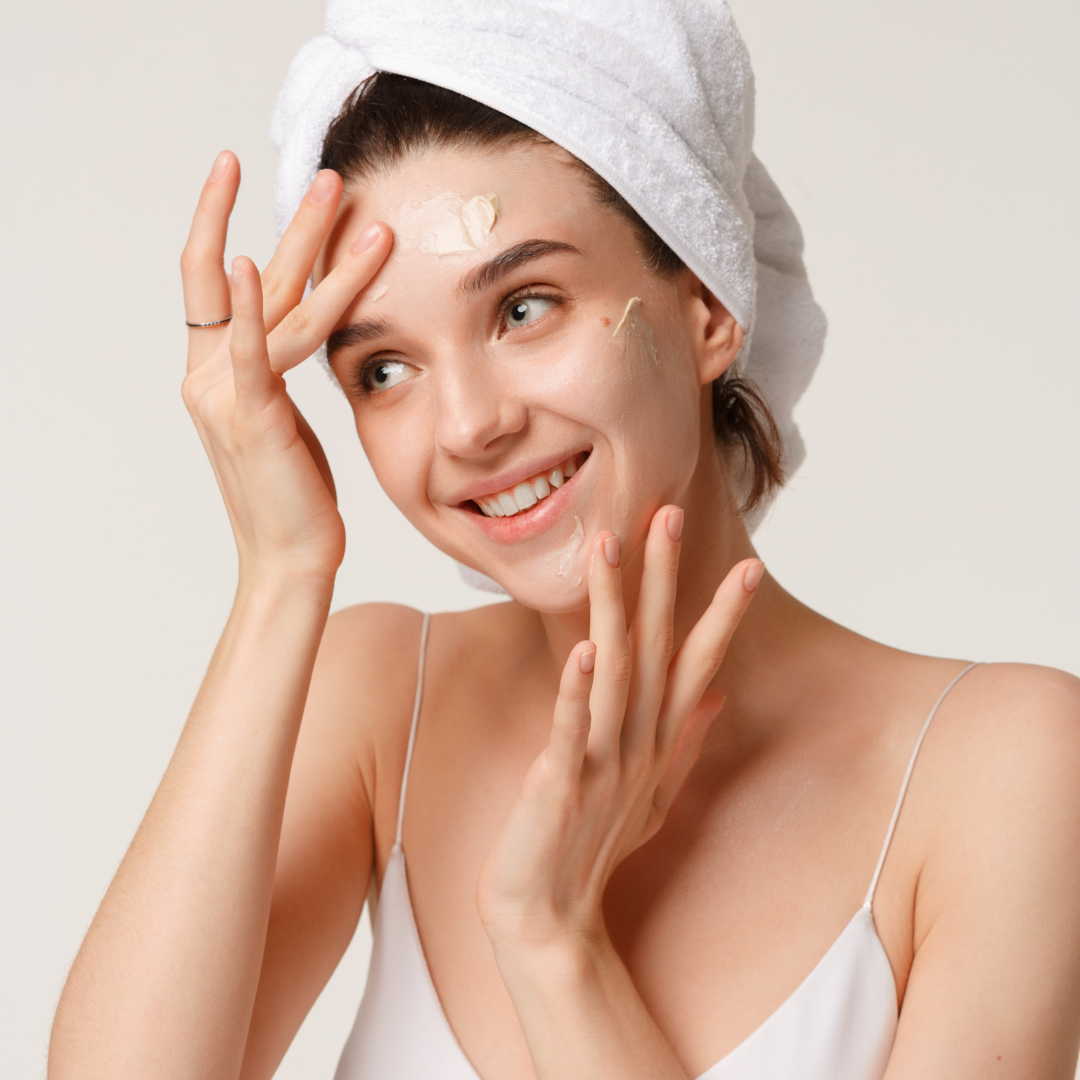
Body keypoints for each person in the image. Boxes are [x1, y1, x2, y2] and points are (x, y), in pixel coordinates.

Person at [48, 2, 1080, 1078]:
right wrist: (280, 573)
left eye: (525, 308)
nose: (468, 425)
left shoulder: (999, 767)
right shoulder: (376, 700)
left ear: (707, 307)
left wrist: (553, 946)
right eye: (383, 371)